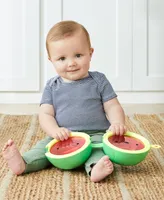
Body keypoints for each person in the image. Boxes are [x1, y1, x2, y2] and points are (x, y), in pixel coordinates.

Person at [2, 20, 126, 182]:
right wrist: (54, 131)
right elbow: (45, 114)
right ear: (51, 60)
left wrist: (117, 123)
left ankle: (95, 168)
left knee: (99, 153)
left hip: (96, 136)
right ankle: (23, 163)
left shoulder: (99, 80)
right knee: (43, 149)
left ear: (90, 53)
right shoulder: (52, 86)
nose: (71, 63)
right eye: (61, 58)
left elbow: (112, 106)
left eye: (78, 55)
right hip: (62, 137)